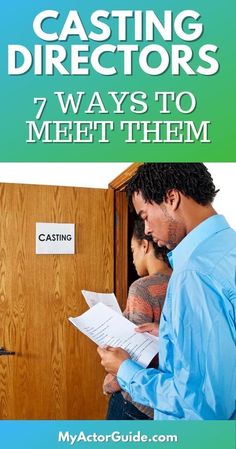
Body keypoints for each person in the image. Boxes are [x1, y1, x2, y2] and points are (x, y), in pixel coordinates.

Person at [98, 163, 236, 420]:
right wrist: (172, 338)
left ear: (171, 199)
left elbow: (202, 404)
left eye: (145, 216)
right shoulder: (228, 248)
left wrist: (125, 370)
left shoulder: (194, 273)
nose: (147, 230)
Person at [104, 217, 171, 420]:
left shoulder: (141, 288)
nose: (132, 258)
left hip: (135, 402)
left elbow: (133, 351)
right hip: (165, 401)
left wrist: (111, 382)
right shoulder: (182, 281)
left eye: (133, 249)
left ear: (144, 245)